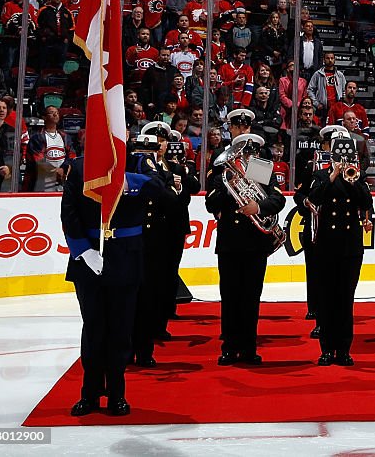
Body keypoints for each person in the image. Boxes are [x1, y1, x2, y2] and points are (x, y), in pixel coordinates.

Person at [59, 135, 169, 416]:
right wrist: (84, 251)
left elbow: (159, 188)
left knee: (121, 330)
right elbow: (68, 214)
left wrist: (119, 180)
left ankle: (117, 395)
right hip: (89, 260)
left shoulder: (139, 163)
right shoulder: (80, 167)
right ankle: (91, 394)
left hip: (126, 258)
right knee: (94, 329)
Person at [205, 113, 286, 366]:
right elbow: (210, 203)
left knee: (251, 297)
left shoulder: (261, 170)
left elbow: (278, 200)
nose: (245, 157)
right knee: (229, 297)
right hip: (230, 243)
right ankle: (229, 347)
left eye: (249, 152)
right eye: (242, 152)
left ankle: (248, 347)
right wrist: (230, 191)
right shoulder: (224, 174)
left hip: (254, 244)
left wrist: (258, 207)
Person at [298, 130, 374, 366]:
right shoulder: (321, 176)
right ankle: (326, 349)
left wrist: (352, 179)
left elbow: (366, 202)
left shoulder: (357, 178)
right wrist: (333, 176)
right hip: (325, 245)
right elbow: (314, 198)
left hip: (350, 246)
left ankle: (344, 349)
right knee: (327, 298)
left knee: (345, 299)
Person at [131, 122, 200, 366]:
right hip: (148, 233)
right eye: (155, 140)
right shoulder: (140, 165)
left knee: (166, 278)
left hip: (171, 229)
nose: (159, 145)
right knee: (145, 286)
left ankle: (160, 321)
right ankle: (144, 333)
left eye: (162, 141)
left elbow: (190, 189)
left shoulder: (173, 165)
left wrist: (180, 174)